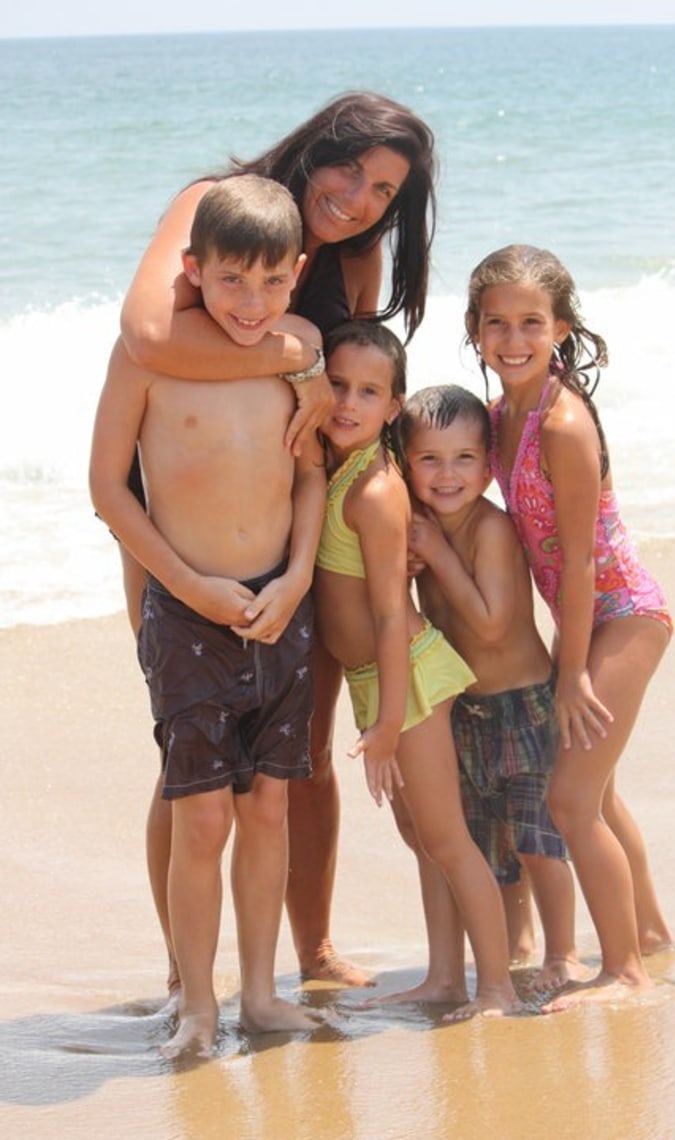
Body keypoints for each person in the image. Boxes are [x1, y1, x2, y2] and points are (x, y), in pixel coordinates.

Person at [117, 92, 438, 991]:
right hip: (182, 515)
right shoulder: (213, 203)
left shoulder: (359, 256)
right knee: (190, 752)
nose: (359, 197)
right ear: (313, 148)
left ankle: (313, 950)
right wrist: (290, 348)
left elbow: (352, 398)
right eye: (350, 168)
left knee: (298, 746)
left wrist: (401, 520)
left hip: (304, 516)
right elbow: (146, 335)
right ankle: (188, 974)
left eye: (385, 190)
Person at [90, 174, 326, 1058]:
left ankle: (261, 995)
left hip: (279, 606)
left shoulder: (294, 364)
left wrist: (299, 577)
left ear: (297, 275)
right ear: (193, 270)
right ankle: (197, 1001)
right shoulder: (148, 359)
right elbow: (108, 489)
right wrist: (188, 590)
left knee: (267, 812)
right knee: (203, 818)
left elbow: (311, 477)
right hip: (190, 615)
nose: (251, 302)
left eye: (271, 283)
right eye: (230, 281)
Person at [465, 243, 675, 1010]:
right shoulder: (500, 417)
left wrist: (573, 671)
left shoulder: (562, 424)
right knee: (602, 792)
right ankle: (650, 932)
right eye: (498, 324)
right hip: (587, 623)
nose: (514, 339)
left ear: (561, 328)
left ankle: (624, 973)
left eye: (532, 322)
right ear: (475, 329)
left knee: (570, 801)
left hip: (623, 616)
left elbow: (582, 565)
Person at [314, 320, 525, 1020]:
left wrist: (383, 723)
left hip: (404, 673)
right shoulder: (345, 466)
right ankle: (443, 977)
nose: (347, 402)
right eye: (336, 384)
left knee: (448, 838)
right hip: (378, 678)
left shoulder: (374, 491)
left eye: (368, 392)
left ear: (393, 406)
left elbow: (385, 616)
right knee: (419, 838)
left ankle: (493, 986)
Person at [398, 384, 586, 994]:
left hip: (521, 706)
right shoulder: (418, 527)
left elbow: (491, 622)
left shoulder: (491, 530)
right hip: (467, 712)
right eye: (429, 459)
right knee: (490, 848)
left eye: (464, 459)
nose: (446, 474)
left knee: (538, 843)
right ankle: (516, 942)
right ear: (406, 463)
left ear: (488, 465)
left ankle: (563, 952)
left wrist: (436, 557)